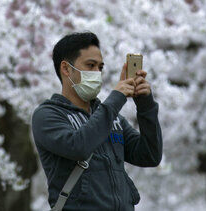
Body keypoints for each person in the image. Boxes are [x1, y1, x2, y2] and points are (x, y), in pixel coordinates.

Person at [31, 31, 163, 210]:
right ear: (66, 69)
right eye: (90, 65)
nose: (97, 73)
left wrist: (145, 105)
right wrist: (115, 99)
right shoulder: (47, 115)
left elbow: (150, 156)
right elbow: (79, 146)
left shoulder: (111, 118)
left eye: (100, 67)